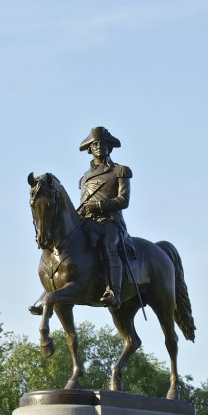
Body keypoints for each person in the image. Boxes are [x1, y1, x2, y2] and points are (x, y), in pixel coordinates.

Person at [77, 126, 134, 306]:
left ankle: (114, 292)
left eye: (103, 143)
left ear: (109, 147)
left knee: (109, 245)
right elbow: (83, 204)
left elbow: (123, 200)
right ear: (90, 149)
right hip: (88, 223)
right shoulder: (84, 178)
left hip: (110, 222)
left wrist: (100, 205)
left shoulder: (120, 171)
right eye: (95, 144)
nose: (99, 146)